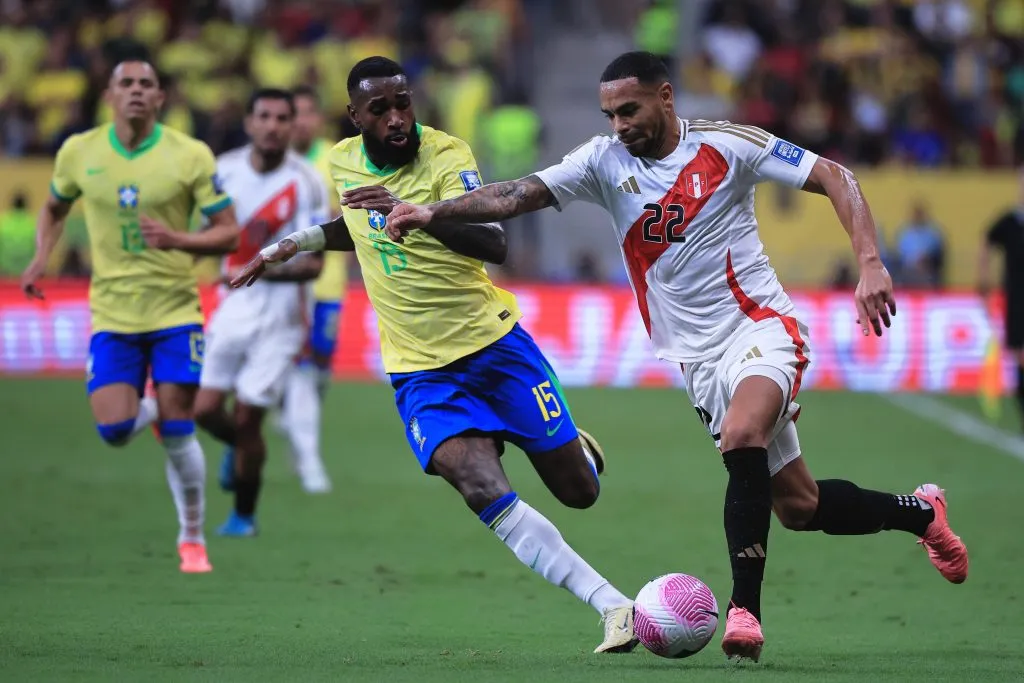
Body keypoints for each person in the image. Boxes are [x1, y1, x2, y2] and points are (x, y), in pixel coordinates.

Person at [382, 51, 970, 662]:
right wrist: (434, 212)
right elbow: (516, 193)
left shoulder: (727, 145)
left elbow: (835, 175)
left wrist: (870, 261)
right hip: (699, 362)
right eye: (610, 115)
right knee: (799, 506)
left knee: (741, 435)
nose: (619, 126)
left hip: (760, 327)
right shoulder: (602, 162)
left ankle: (744, 612)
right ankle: (921, 513)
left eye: (629, 110)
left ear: (665, 97)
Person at [231, 56, 638, 654]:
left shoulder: (447, 155)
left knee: (579, 492)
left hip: (494, 350)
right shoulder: (342, 160)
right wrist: (294, 243)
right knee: (478, 485)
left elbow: (493, 242)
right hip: (420, 371)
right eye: (380, 110)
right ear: (355, 117)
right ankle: (613, 605)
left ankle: (578, 448)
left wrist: (417, 212)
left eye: (403, 103)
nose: (397, 118)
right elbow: (356, 224)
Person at [20, 59, 239, 574]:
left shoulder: (190, 154)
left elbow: (228, 231)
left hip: (175, 309)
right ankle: (158, 408)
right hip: (113, 314)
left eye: (146, 84)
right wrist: (41, 256)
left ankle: (192, 539)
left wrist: (177, 238)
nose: (136, 91)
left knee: (180, 431)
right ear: (109, 95)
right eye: (127, 84)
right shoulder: (78, 151)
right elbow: (53, 208)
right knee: (115, 429)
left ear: (160, 97)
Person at [193, 89, 327, 537]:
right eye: (264, 116)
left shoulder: (307, 180)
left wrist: (261, 268)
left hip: (282, 319)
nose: (272, 126)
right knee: (205, 409)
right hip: (232, 308)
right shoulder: (223, 171)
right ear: (249, 123)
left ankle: (243, 516)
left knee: (250, 414)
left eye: (282, 118)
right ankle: (242, 446)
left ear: (292, 126)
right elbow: (205, 231)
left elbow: (314, 265)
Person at [272, 84, 341, 494]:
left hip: (328, 282)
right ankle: (310, 460)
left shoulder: (336, 158)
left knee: (320, 368)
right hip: (288, 283)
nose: (300, 122)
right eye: (293, 114)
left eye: (307, 113)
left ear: (318, 118)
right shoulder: (272, 162)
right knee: (302, 367)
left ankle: (291, 415)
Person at [978, 168, 1024, 430]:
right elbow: (986, 240)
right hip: (1017, 299)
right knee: (1019, 355)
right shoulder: (1010, 222)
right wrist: (984, 280)